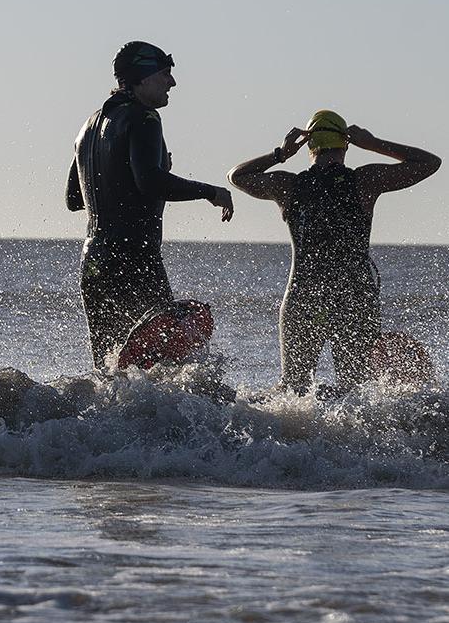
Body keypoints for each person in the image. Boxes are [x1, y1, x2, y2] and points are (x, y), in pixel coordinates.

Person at [228, 110, 441, 394]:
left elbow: (237, 176)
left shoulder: (289, 186)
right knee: (355, 391)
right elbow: (429, 163)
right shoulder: (366, 181)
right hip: (354, 296)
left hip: (304, 296)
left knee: (292, 389)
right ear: (346, 144)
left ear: (309, 146)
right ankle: (343, 438)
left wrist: (280, 153)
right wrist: (374, 143)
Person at [67, 41, 234, 367]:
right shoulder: (144, 117)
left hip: (94, 263)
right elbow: (150, 182)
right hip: (133, 258)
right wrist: (211, 192)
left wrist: (133, 176)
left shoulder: (86, 128)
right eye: (165, 74)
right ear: (142, 78)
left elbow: (74, 199)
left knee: (108, 369)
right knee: (161, 368)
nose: (172, 82)